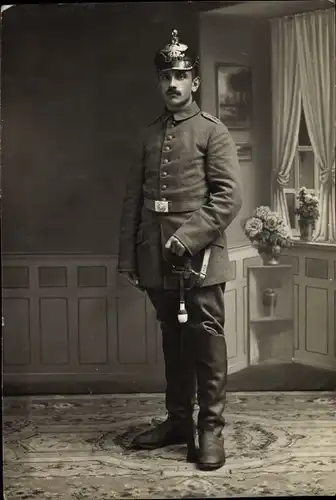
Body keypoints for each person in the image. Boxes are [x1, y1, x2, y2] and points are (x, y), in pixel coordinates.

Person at [117, 29, 242, 471]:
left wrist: (186, 239)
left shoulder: (213, 132)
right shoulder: (149, 136)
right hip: (155, 255)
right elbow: (134, 200)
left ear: (195, 82)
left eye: (181, 75)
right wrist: (129, 257)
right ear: (159, 82)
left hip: (200, 256)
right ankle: (177, 422)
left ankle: (210, 429)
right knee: (173, 339)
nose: (173, 83)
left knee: (205, 341)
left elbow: (227, 198)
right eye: (166, 76)